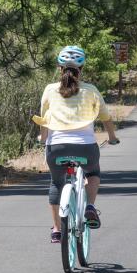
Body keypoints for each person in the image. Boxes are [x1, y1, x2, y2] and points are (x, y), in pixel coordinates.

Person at [33, 45, 119, 244]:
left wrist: (44, 139)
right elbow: (106, 118)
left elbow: (44, 119)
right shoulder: (91, 90)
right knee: (93, 174)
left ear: (59, 68)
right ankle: (89, 206)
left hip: (56, 149)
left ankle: (56, 229)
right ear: (82, 69)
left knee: (56, 183)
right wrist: (112, 137)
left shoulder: (49, 89)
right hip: (86, 147)